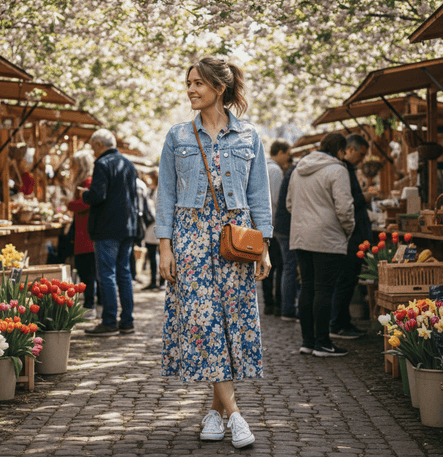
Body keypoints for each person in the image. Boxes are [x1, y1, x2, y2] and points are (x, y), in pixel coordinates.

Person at [156, 56, 271, 449]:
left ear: (218, 89)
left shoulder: (249, 136)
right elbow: (167, 195)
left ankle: (214, 411)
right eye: (188, 83)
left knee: (231, 325)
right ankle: (236, 415)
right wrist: (164, 246)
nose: (190, 89)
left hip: (235, 240)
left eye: (198, 84)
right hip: (189, 238)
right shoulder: (177, 135)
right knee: (204, 325)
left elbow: (259, 196)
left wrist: (264, 248)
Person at [286, 132, 354, 357]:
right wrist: (348, 230)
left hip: (300, 236)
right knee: (324, 289)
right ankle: (323, 343)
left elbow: (289, 204)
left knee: (307, 286)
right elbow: (344, 208)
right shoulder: (338, 170)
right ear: (340, 150)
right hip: (327, 236)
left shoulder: (298, 170)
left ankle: (308, 341)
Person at [77, 129, 139, 336]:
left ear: (98, 145)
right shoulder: (128, 164)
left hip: (107, 228)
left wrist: (85, 195)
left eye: (93, 147)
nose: (93, 152)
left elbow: (98, 195)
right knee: (124, 273)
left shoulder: (102, 164)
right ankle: (127, 321)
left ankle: (110, 321)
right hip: (128, 227)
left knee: (107, 274)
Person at [330, 134, 371, 340]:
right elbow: (347, 203)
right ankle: (338, 323)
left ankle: (342, 321)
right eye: (361, 154)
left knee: (348, 279)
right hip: (351, 235)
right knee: (346, 280)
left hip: (354, 234)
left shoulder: (347, 169)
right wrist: (365, 197)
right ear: (351, 149)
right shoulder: (343, 169)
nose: (362, 159)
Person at [67, 149, 98, 321]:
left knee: (87, 270)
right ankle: (91, 304)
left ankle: (90, 305)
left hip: (86, 232)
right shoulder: (86, 181)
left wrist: (70, 204)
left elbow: (84, 203)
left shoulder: (88, 182)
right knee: (86, 269)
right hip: (82, 232)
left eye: (75, 164)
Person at [262, 139, 291, 316]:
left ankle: (268, 303)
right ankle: (279, 303)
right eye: (287, 154)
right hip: (273, 223)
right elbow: (278, 199)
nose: (288, 158)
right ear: (280, 152)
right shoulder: (275, 170)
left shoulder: (263, 166)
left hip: (262, 224)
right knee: (278, 265)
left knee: (266, 265)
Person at [273, 158, 299, 321]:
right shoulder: (293, 173)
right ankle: (287, 308)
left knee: (286, 267)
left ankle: (283, 307)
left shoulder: (290, 172)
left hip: (281, 225)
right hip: (287, 226)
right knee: (290, 267)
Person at [142, 171, 163, 290]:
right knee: (152, 255)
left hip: (156, 226)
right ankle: (153, 280)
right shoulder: (151, 190)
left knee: (160, 254)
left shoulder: (159, 191)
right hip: (150, 227)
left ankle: (161, 281)